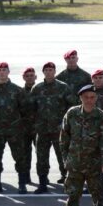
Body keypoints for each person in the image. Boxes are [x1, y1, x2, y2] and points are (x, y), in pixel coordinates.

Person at [29, 62, 76, 193]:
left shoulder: (63, 87)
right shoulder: (37, 88)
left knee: (63, 156)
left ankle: (67, 181)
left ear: (54, 72)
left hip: (59, 130)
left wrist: (68, 125)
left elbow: (72, 106)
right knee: (41, 157)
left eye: (51, 70)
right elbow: (31, 109)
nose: (49, 72)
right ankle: (42, 183)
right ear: (43, 72)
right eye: (46, 70)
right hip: (42, 130)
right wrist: (35, 124)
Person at [0, 62, 30, 194]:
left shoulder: (17, 90)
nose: (2, 72)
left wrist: (19, 124)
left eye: (5, 70)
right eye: (0, 70)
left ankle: (22, 184)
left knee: (20, 157)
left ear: (8, 72)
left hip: (14, 130)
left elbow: (25, 109)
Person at [21, 67, 38, 185]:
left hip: (39, 127)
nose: (29, 77)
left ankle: (43, 177)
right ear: (23, 78)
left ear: (36, 77)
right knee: (25, 154)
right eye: (27, 76)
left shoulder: (41, 90)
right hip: (24, 128)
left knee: (41, 154)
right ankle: (26, 176)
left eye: (31, 75)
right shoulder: (19, 92)